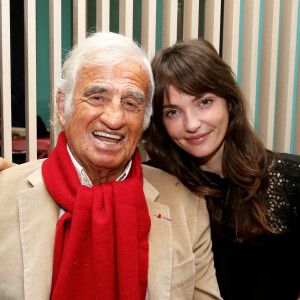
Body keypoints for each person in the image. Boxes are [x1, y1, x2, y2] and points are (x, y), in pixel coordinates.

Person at [0, 32, 222, 300]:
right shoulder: (4, 196)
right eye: (97, 97)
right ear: (63, 105)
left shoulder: (187, 204)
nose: (115, 118)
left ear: (145, 121)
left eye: (131, 103)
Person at [144, 39, 300, 300]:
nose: (191, 124)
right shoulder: (154, 189)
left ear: (229, 102)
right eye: (173, 112)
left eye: (204, 102)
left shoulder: (292, 181)